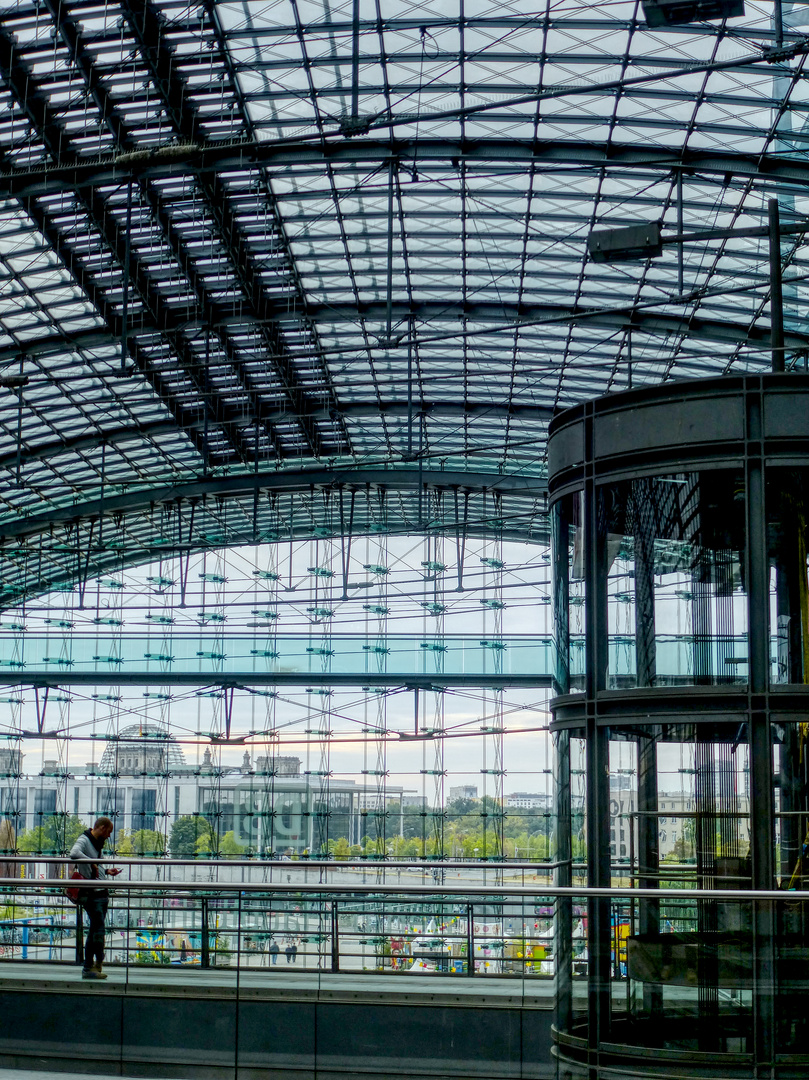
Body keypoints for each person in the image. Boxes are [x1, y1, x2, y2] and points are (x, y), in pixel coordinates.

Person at [69, 817, 120, 980]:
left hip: (100, 891)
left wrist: (106, 871)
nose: (109, 836)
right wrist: (93, 863)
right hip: (92, 893)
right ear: (102, 828)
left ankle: (95, 965)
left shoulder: (96, 843)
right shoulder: (84, 839)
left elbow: (97, 865)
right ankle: (89, 967)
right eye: (109, 832)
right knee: (96, 930)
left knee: (98, 930)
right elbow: (74, 853)